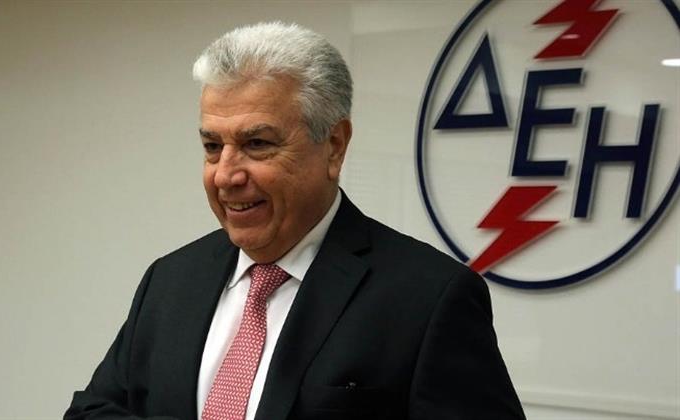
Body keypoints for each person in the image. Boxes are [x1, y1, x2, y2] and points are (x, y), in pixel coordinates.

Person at [65, 22, 526, 420]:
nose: (225, 175)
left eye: (257, 144)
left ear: (334, 146)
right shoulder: (170, 280)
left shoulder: (429, 298)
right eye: (212, 147)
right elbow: (92, 411)